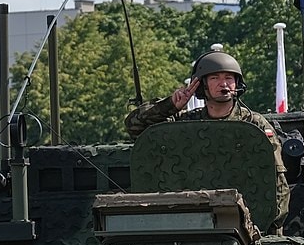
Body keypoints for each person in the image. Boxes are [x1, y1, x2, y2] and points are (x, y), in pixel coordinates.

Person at [124, 50, 289, 221]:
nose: (223, 84)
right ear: (202, 85)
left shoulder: (254, 124)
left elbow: (277, 180)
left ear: (237, 83)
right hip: (193, 220)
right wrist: (171, 105)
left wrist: (270, 224)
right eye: (214, 78)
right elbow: (134, 126)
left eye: (229, 78)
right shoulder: (186, 124)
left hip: (247, 222)